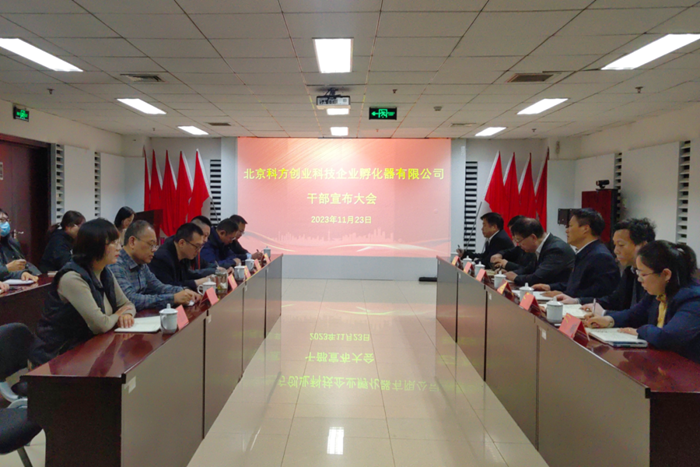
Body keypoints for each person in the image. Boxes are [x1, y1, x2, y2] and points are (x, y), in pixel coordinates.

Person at [29, 219, 136, 366]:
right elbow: (100, 325)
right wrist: (118, 315)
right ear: (96, 246)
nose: (119, 247)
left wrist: (127, 314)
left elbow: (128, 304)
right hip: (55, 357)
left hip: (86, 349)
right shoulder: (72, 278)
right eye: (113, 243)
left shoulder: (105, 272)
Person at [584, 241, 700, 364]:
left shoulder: (693, 299)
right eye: (638, 273)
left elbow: (667, 337)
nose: (639, 279)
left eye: (643, 274)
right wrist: (609, 320)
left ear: (666, 274)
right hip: (660, 362)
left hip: (687, 369)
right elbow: (634, 314)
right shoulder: (659, 290)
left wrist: (640, 330)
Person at [558, 218, 656, 311]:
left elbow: (640, 313)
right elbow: (614, 300)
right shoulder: (630, 271)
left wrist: (606, 315)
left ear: (642, 246)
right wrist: (577, 301)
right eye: (615, 245)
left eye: (621, 245)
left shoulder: (655, 276)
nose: (616, 251)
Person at [109, 220, 200, 311]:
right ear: (132, 242)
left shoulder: (141, 264)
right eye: (151, 244)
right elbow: (130, 300)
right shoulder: (116, 264)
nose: (154, 250)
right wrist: (173, 298)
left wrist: (183, 291)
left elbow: (159, 287)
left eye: (155, 246)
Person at [532, 208, 619, 299]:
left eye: (570, 226)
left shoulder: (601, 257)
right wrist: (550, 287)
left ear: (585, 229)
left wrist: (568, 296)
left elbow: (599, 294)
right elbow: (576, 285)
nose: (566, 230)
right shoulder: (586, 251)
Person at [504, 217, 575, 286]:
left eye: (519, 240)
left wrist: (516, 278)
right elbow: (528, 269)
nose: (519, 245)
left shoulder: (556, 249)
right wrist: (510, 273)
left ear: (533, 237)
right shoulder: (541, 246)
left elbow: (538, 278)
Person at [148, 223, 213, 291]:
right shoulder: (161, 258)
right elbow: (168, 288)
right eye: (196, 246)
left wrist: (209, 277)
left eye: (200, 247)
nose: (198, 251)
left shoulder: (184, 255)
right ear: (182, 243)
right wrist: (197, 282)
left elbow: (187, 275)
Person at [0, 208, 40, 282]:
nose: (5, 224)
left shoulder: (11, 242)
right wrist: (7, 268)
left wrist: (23, 273)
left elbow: (22, 264)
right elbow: (7, 270)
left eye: (7, 220)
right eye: (1, 220)